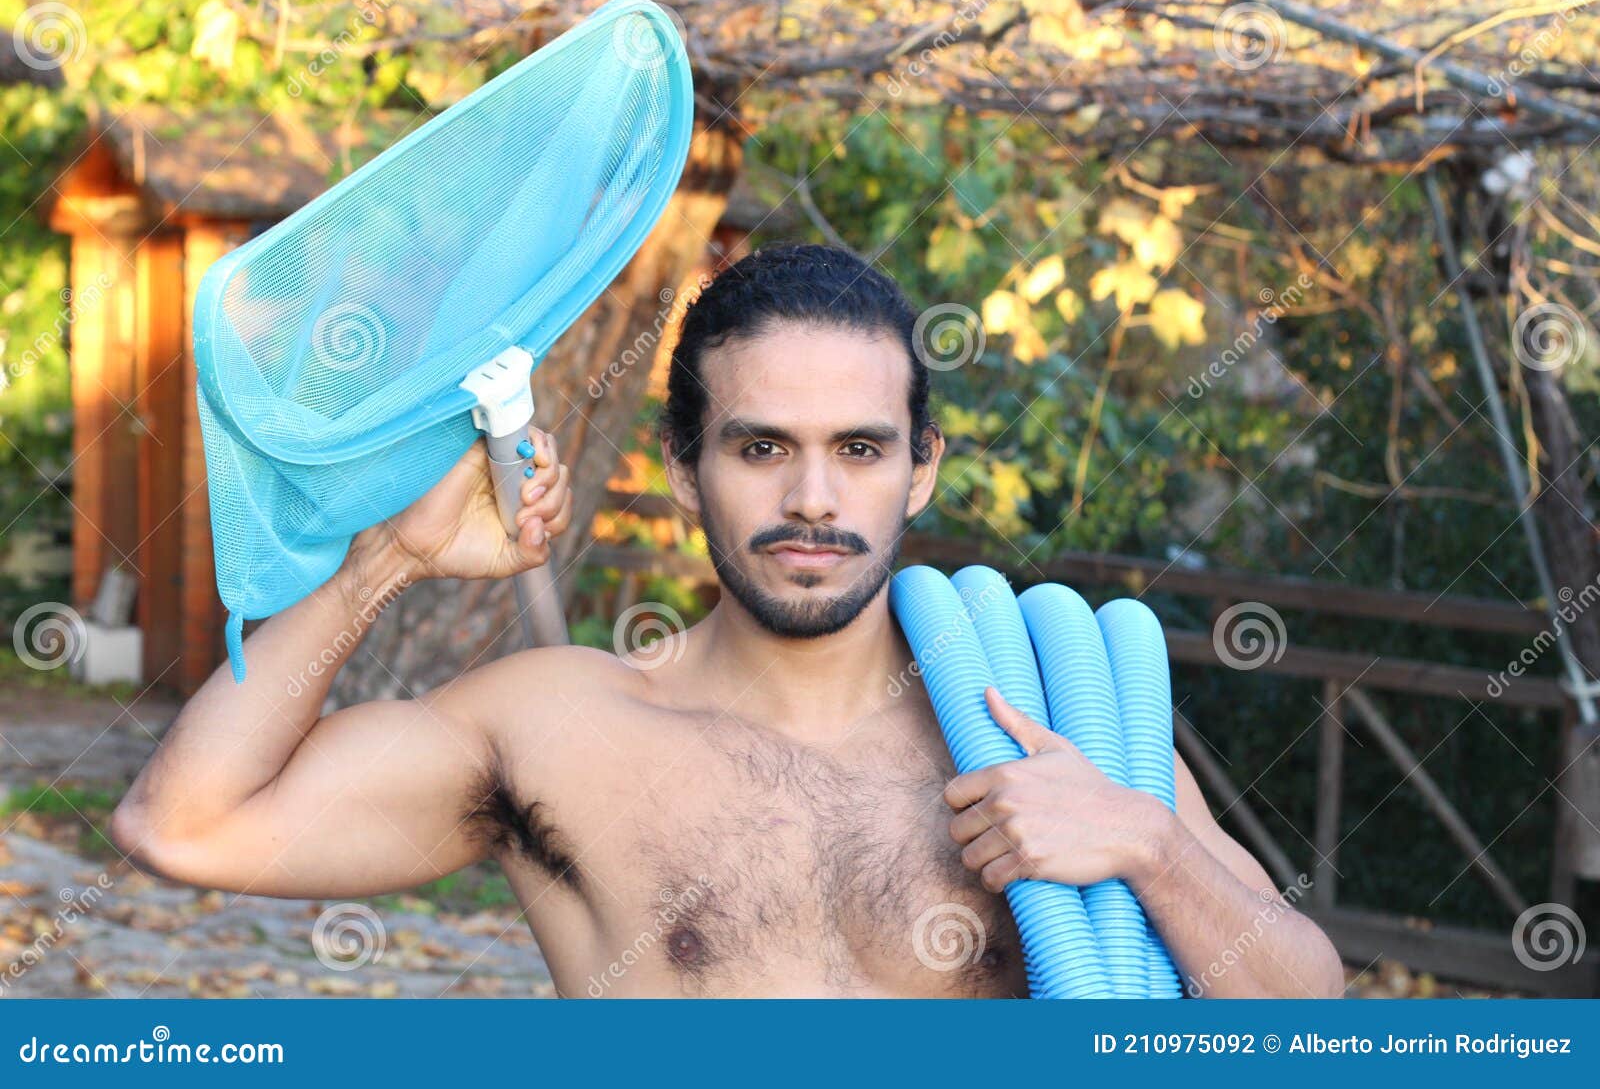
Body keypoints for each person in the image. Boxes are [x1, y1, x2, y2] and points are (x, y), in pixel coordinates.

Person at [111, 242, 1345, 998]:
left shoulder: (1045, 712)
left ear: (919, 468)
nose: (813, 498)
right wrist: (387, 559)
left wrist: (1147, 846)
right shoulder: (560, 725)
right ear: (687, 462)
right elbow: (186, 824)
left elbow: (1308, 1014)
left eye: (858, 449)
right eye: (762, 447)